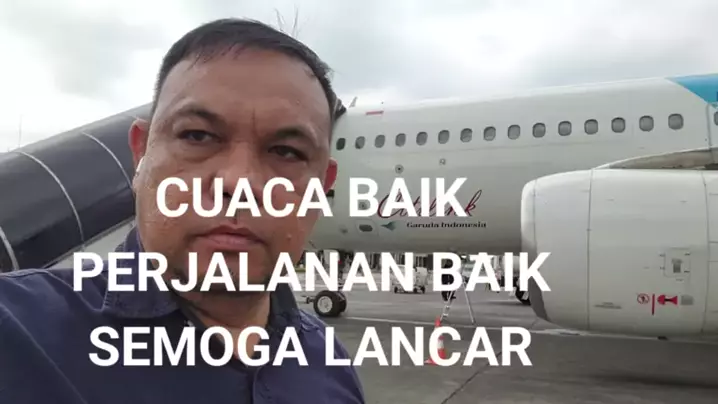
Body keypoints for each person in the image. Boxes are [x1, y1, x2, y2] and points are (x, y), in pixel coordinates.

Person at [0, 18, 365, 404]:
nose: (238, 183)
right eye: (197, 135)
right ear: (140, 155)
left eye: (287, 152)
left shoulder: (329, 364)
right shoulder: (17, 335)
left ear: (322, 187)